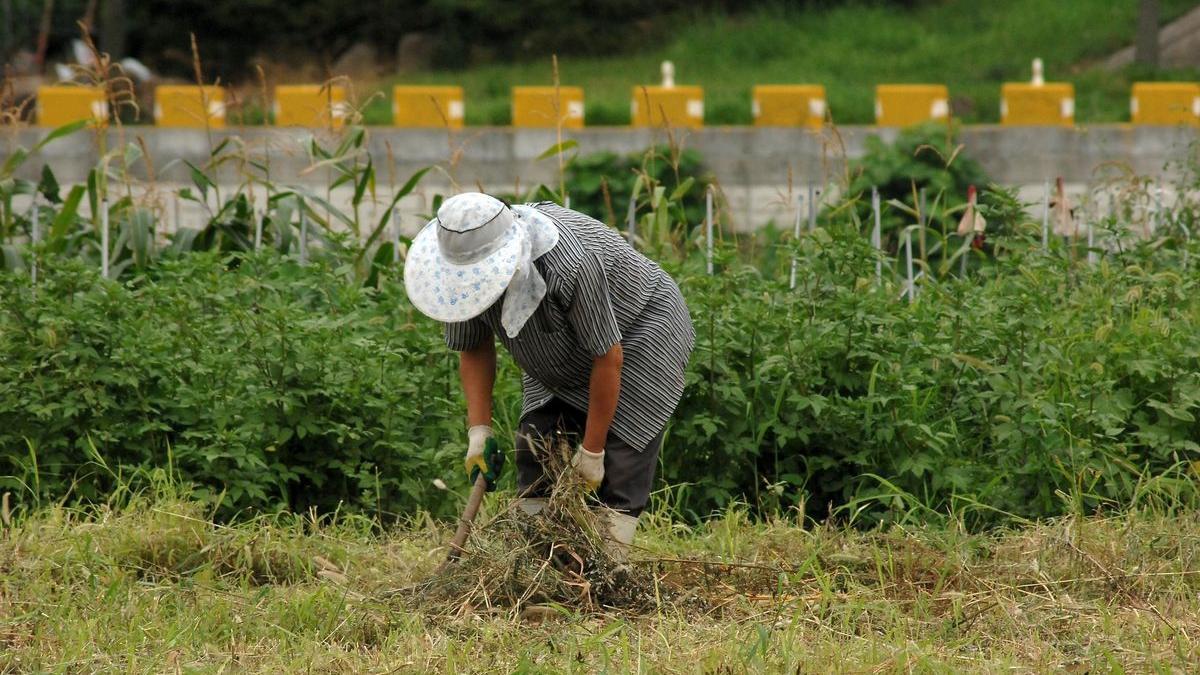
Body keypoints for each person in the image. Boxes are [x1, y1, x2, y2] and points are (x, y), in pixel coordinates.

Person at [404, 192, 694, 558]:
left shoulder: (569, 264)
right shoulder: (459, 276)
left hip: (640, 330)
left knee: (620, 464)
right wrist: (479, 433)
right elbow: (473, 347)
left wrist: (591, 451)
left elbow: (607, 357)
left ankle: (606, 573)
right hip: (557, 344)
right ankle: (541, 563)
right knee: (534, 443)